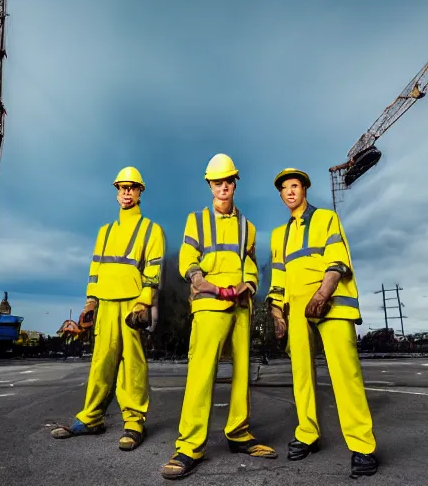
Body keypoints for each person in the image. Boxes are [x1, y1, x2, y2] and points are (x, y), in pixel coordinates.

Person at [161, 154, 277, 480]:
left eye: (228, 181)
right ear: (209, 185)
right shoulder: (195, 221)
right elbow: (188, 257)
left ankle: (238, 434)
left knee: (242, 374)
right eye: (217, 182)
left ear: (235, 183)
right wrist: (200, 281)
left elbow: (251, 263)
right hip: (210, 304)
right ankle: (189, 447)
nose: (223, 187)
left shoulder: (247, 226)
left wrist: (250, 284)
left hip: (240, 307)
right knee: (201, 375)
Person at [266, 167, 378, 478]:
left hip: (330, 303)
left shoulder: (326, 218)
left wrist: (323, 293)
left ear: (304, 190)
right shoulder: (278, 235)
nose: (290, 191)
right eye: (285, 188)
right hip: (296, 309)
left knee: (346, 374)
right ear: (280, 195)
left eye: (295, 186)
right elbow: (278, 277)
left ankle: (362, 446)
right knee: (301, 374)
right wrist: (277, 315)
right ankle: (307, 434)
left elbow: (338, 260)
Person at [51, 166, 166, 451]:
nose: (126, 192)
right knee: (101, 361)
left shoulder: (151, 230)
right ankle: (91, 418)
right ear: (117, 193)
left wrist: (144, 303)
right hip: (105, 303)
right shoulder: (104, 232)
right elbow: (95, 271)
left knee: (133, 365)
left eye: (131, 187)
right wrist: (91, 301)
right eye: (121, 188)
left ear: (140, 191)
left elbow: (153, 271)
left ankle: (134, 421)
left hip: (131, 303)